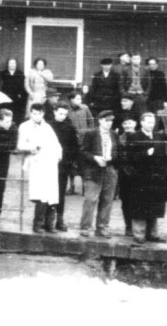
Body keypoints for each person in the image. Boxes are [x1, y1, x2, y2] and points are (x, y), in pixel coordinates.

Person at [126, 112, 167, 244]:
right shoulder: (134, 137)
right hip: (141, 178)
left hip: (156, 178)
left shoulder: (159, 136)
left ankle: (153, 233)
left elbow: (164, 156)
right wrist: (145, 153)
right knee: (140, 207)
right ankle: (139, 234)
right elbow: (130, 156)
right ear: (142, 123)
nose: (150, 125)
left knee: (154, 206)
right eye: (148, 122)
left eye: (152, 122)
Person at [17, 102, 63, 233]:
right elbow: (20, 145)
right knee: (41, 194)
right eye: (34, 113)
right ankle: (38, 224)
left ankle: (50, 224)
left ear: (43, 114)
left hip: (50, 163)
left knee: (51, 193)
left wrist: (57, 156)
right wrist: (31, 148)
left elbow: (57, 144)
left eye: (39, 113)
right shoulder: (24, 127)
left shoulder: (47, 127)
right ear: (31, 113)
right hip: (36, 162)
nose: (37, 116)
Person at [78, 110, 120, 238]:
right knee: (91, 199)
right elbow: (83, 151)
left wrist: (111, 159)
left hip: (109, 169)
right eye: (107, 120)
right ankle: (85, 227)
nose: (109, 123)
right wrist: (95, 158)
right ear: (100, 120)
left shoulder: (114, 135)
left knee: (107, 200)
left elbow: (117, 151)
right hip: (94, 170)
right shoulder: (91, 134)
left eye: (111, 121)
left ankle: (102, 227)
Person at [49, 102, 79, 232]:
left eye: (65, 114)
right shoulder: (48, 126)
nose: (62, 116)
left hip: (63, 165)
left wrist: (70, 162)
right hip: (49, 164)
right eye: (60, 113)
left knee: (60, 193)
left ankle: (59, 221)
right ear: (55, 112)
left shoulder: (69, 127)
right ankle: (48, 220)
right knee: (49, 193)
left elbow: (75, 147)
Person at [66, 90, 95, 194]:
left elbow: (91, 121)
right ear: (71, 100)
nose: (80, 100)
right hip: (72, 141)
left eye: (80, 98)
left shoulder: (85, 108)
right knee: (71, 164)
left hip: (84, 140)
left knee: (84, 163)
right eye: (77, 98)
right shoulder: (67, 110)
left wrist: (90, 133)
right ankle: (72, 187)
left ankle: (84, 187)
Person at [117, 114, 139, 237]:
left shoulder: (140, 137)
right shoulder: (119, 138)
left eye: (130, 123)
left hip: (138, 174)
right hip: (124, 175)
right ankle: (128, 227)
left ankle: (139, 228)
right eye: (125, 123)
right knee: (126, 202)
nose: (127, 126)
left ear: (135, 124)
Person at [0, 58, 28, 123]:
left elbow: (23, 86)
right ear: (8, 64)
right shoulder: (3, 73)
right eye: (10, 63)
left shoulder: (20, 73)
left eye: (14, 63)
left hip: (16, 97)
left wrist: (20, 94)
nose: (12, 65)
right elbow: (1, 85)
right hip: (5, 97)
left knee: (16, 114)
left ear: (16, 64)